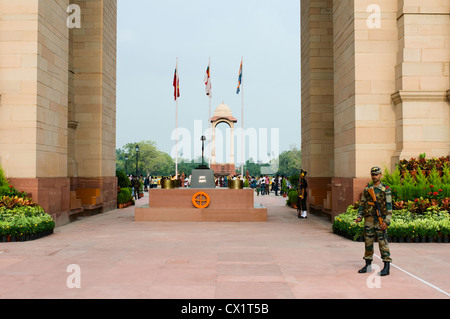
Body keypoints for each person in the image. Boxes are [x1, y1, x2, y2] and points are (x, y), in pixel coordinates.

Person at [355, 166, 393, 276]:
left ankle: (386, 266)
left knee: (382, 242)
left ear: (380, 175)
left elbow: (389, 207)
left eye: (376, 174)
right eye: (373, 174)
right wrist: (359, 216)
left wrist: (386, 221)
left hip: (380, 220)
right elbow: (362, 203)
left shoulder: (385, 189)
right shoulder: (368, 189)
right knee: (368, 242)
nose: (374, 176)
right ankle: (368, 265)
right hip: (369, 219)